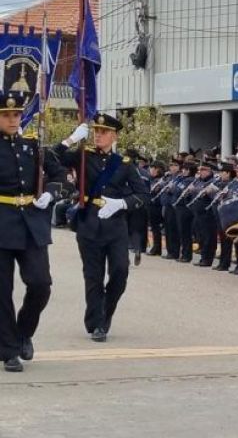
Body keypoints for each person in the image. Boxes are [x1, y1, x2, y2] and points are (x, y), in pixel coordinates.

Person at [54, 113, 149, 342]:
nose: (98, 135)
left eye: (103, 132)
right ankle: (98, 323)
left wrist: (122, 203)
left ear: (114, 136)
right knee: (93, 277)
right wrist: (70, 140)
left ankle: (105, 310)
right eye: (96, 131)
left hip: (115, 225)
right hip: (89, 222)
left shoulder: (124, 164)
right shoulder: (82, 156)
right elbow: (50, 158)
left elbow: (143, 195)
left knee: (120, 272)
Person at [0, 91, 66, 372]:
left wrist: (51, 193)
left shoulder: (33, 146)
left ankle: (24, 331)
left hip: (31, 225)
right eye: (6, 115)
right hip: (1, 222)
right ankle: (9, 351)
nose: (13, 120)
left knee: (40, 284)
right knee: (2, 292)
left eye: (16, 115)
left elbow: (61, 175)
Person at [190, 162, 218, 267]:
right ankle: (203, 257)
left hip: (208, 214)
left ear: (209, 171)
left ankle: (207, 259)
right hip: (198, 213)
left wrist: (197, 190)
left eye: (203, 170)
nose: (200, 172)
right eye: (200, 170)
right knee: (201, 236)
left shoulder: (213, 181)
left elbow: (212, 195)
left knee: (208, 237)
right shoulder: (198, 181)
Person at [212, 162, 236, 272]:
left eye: (223, 172)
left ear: (228, 173)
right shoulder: (219, 183)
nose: (220, 174)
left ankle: (225, 263)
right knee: (222, 239)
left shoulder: (232, 184)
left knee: (227, 240)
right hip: (219, 214)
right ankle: (222, 262)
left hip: (228, 215)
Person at [174, 161, 197, 264]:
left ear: (189, 170)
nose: (182, 171)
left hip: (185, 209)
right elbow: (175, 189)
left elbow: (179, 191)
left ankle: (186, 255)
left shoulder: (190, 180)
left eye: (185, 169)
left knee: (185, 232)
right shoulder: (182, 179)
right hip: (179, 208)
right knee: (181, 232)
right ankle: (183, 254)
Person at [160, 158, 182, 260]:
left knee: (174, 230)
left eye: (175, 166)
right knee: (168, 229)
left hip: (174, 206)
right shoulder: (169, 177)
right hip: (166, 205)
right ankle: (170, 251)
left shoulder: (179, 177)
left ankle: (175, 252)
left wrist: (171, 189)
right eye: (171, 166)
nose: (172, 168)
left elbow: (177, 190)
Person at [146, 160, 168, 256]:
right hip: (151, 205)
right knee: (154, 227)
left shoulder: (161, 180)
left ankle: (157, 247)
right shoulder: (151, 179)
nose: (150, 170)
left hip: (157, 206)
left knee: (156, 227)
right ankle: (156, 247)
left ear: (158, 169)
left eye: (152, 168)